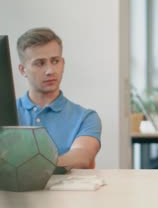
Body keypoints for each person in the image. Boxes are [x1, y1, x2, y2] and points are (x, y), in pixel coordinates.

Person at [16, 28, 101, 169]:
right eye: (40, 63)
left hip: (65, 191)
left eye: (55, 61)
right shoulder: (6, 113)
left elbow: (82, 156)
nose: (50, 71)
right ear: (22, 70)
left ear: (63, 64)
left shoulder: (86, 117)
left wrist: (30, 168)